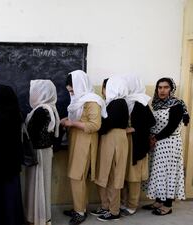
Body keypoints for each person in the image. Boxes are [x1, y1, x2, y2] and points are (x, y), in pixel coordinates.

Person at [61, 70, 107, 225]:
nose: (72, 93)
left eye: (73, 90)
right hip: (76, 140)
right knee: (76, 177)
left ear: (81, 85)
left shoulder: (92, 101)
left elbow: (95, 125)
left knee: (77, 176)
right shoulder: (80, 100)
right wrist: (69, 120)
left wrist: (72, 123)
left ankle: (80, 212)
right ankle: (79, 207)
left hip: (85, 142)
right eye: (70, 91)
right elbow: (81, 118)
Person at [142, 77, 189, 215]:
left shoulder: (176, 104)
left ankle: (167, 205)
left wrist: (154, 138)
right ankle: (158, 201)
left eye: (166, 87)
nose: (162, 90)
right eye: (160, 87)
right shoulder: (155, 104)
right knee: (157, 173)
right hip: (156, 143)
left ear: (171, 89)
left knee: (168, 173)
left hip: (170, 144)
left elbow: (171, 127)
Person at [0, 84, 24, 225]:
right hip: (12, 162)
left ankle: (2, 220)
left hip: (0, 163)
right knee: (12, 194)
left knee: (2, 195)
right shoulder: (15, 112)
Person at [92, 76, 129, 222]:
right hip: (111, 139)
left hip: (114, 139)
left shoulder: (118, 103)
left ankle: (114, 211)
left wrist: (97, 127)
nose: (105, 90)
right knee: (106, 174)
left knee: (113, 175)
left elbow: (107, 124)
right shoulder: (114, 102)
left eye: (108, 87)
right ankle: (106, 206)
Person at [24, 79, 60, 225]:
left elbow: (31, 133)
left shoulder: (41, 111)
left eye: (35, 91)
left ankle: (37, 218)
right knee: (42, 185)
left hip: (38, 153)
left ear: (42, 93)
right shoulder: (51, 108)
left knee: (37, 184)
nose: (32, 94)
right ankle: (42, 216)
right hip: (45, 151)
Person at [120, 75, 155, 216]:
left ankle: (132, 205)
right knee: (123, 174)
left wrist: (133, 128)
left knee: (134, 176)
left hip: (137, 143)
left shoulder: (141, 102)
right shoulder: (125, 101)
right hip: (126, 141)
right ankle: (123, 202)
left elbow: (150, 122)